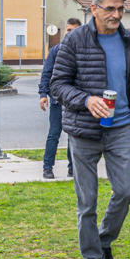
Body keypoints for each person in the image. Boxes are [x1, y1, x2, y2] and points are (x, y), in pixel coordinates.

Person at [50, 0, 130, 259]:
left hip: (120, 128)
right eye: (110, 8)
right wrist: (86, 99)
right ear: (94, 8)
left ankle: (104, 240)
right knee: (87, 202)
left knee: (126, 191)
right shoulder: (75, 40)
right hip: (84, 131)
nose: (116, 14)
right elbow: (58, 85)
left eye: (121, 9)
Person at [39, 18, 82, 179]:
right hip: (58, 100)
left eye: (74, 30)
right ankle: (47, 167)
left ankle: (73, 167)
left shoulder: (83, 51)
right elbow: (46, 74)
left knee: (74, 135)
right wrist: (43, 94)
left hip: (75, 101)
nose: (70, 33)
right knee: (54, 134)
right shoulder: (56, 51)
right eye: (68, 30)